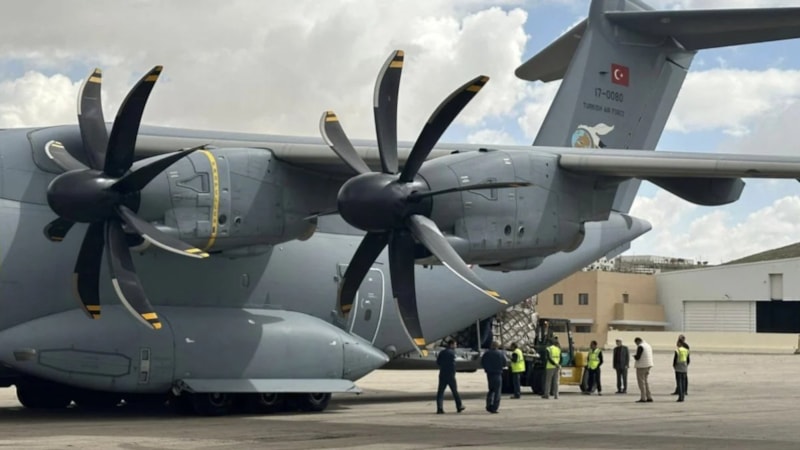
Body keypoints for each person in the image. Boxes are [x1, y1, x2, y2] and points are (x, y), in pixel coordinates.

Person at [436, 339, 465, 414]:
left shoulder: (442, 352)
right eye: (455, 344)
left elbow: (438, 362)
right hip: (450, 375)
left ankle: (440, 408)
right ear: (451, 345)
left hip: (442, 373)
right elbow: (454, 364)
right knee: (454, 391)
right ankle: (459, 406)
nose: (456, 346)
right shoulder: (453, 353)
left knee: (440, 392)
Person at [481, 341, 507, 413]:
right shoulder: (501, 354)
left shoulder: (486, 353)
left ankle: (488, 404)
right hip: (497, 373)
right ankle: (494, 407)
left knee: (491, 390)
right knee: (497, 392)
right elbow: (505, 363)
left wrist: (487, 369)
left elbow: (482, 362)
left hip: (489, 374)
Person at [633, 337, 654, 403]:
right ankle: (649, 396)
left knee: (641, 383)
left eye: (636, 343)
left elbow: (638, 357)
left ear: (638, 341)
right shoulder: (648, 345)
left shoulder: (641, 346)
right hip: (648, 365)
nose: (636, 344)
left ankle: (643, 397)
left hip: (642, 366)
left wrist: (634, 356)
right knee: (645, 382)